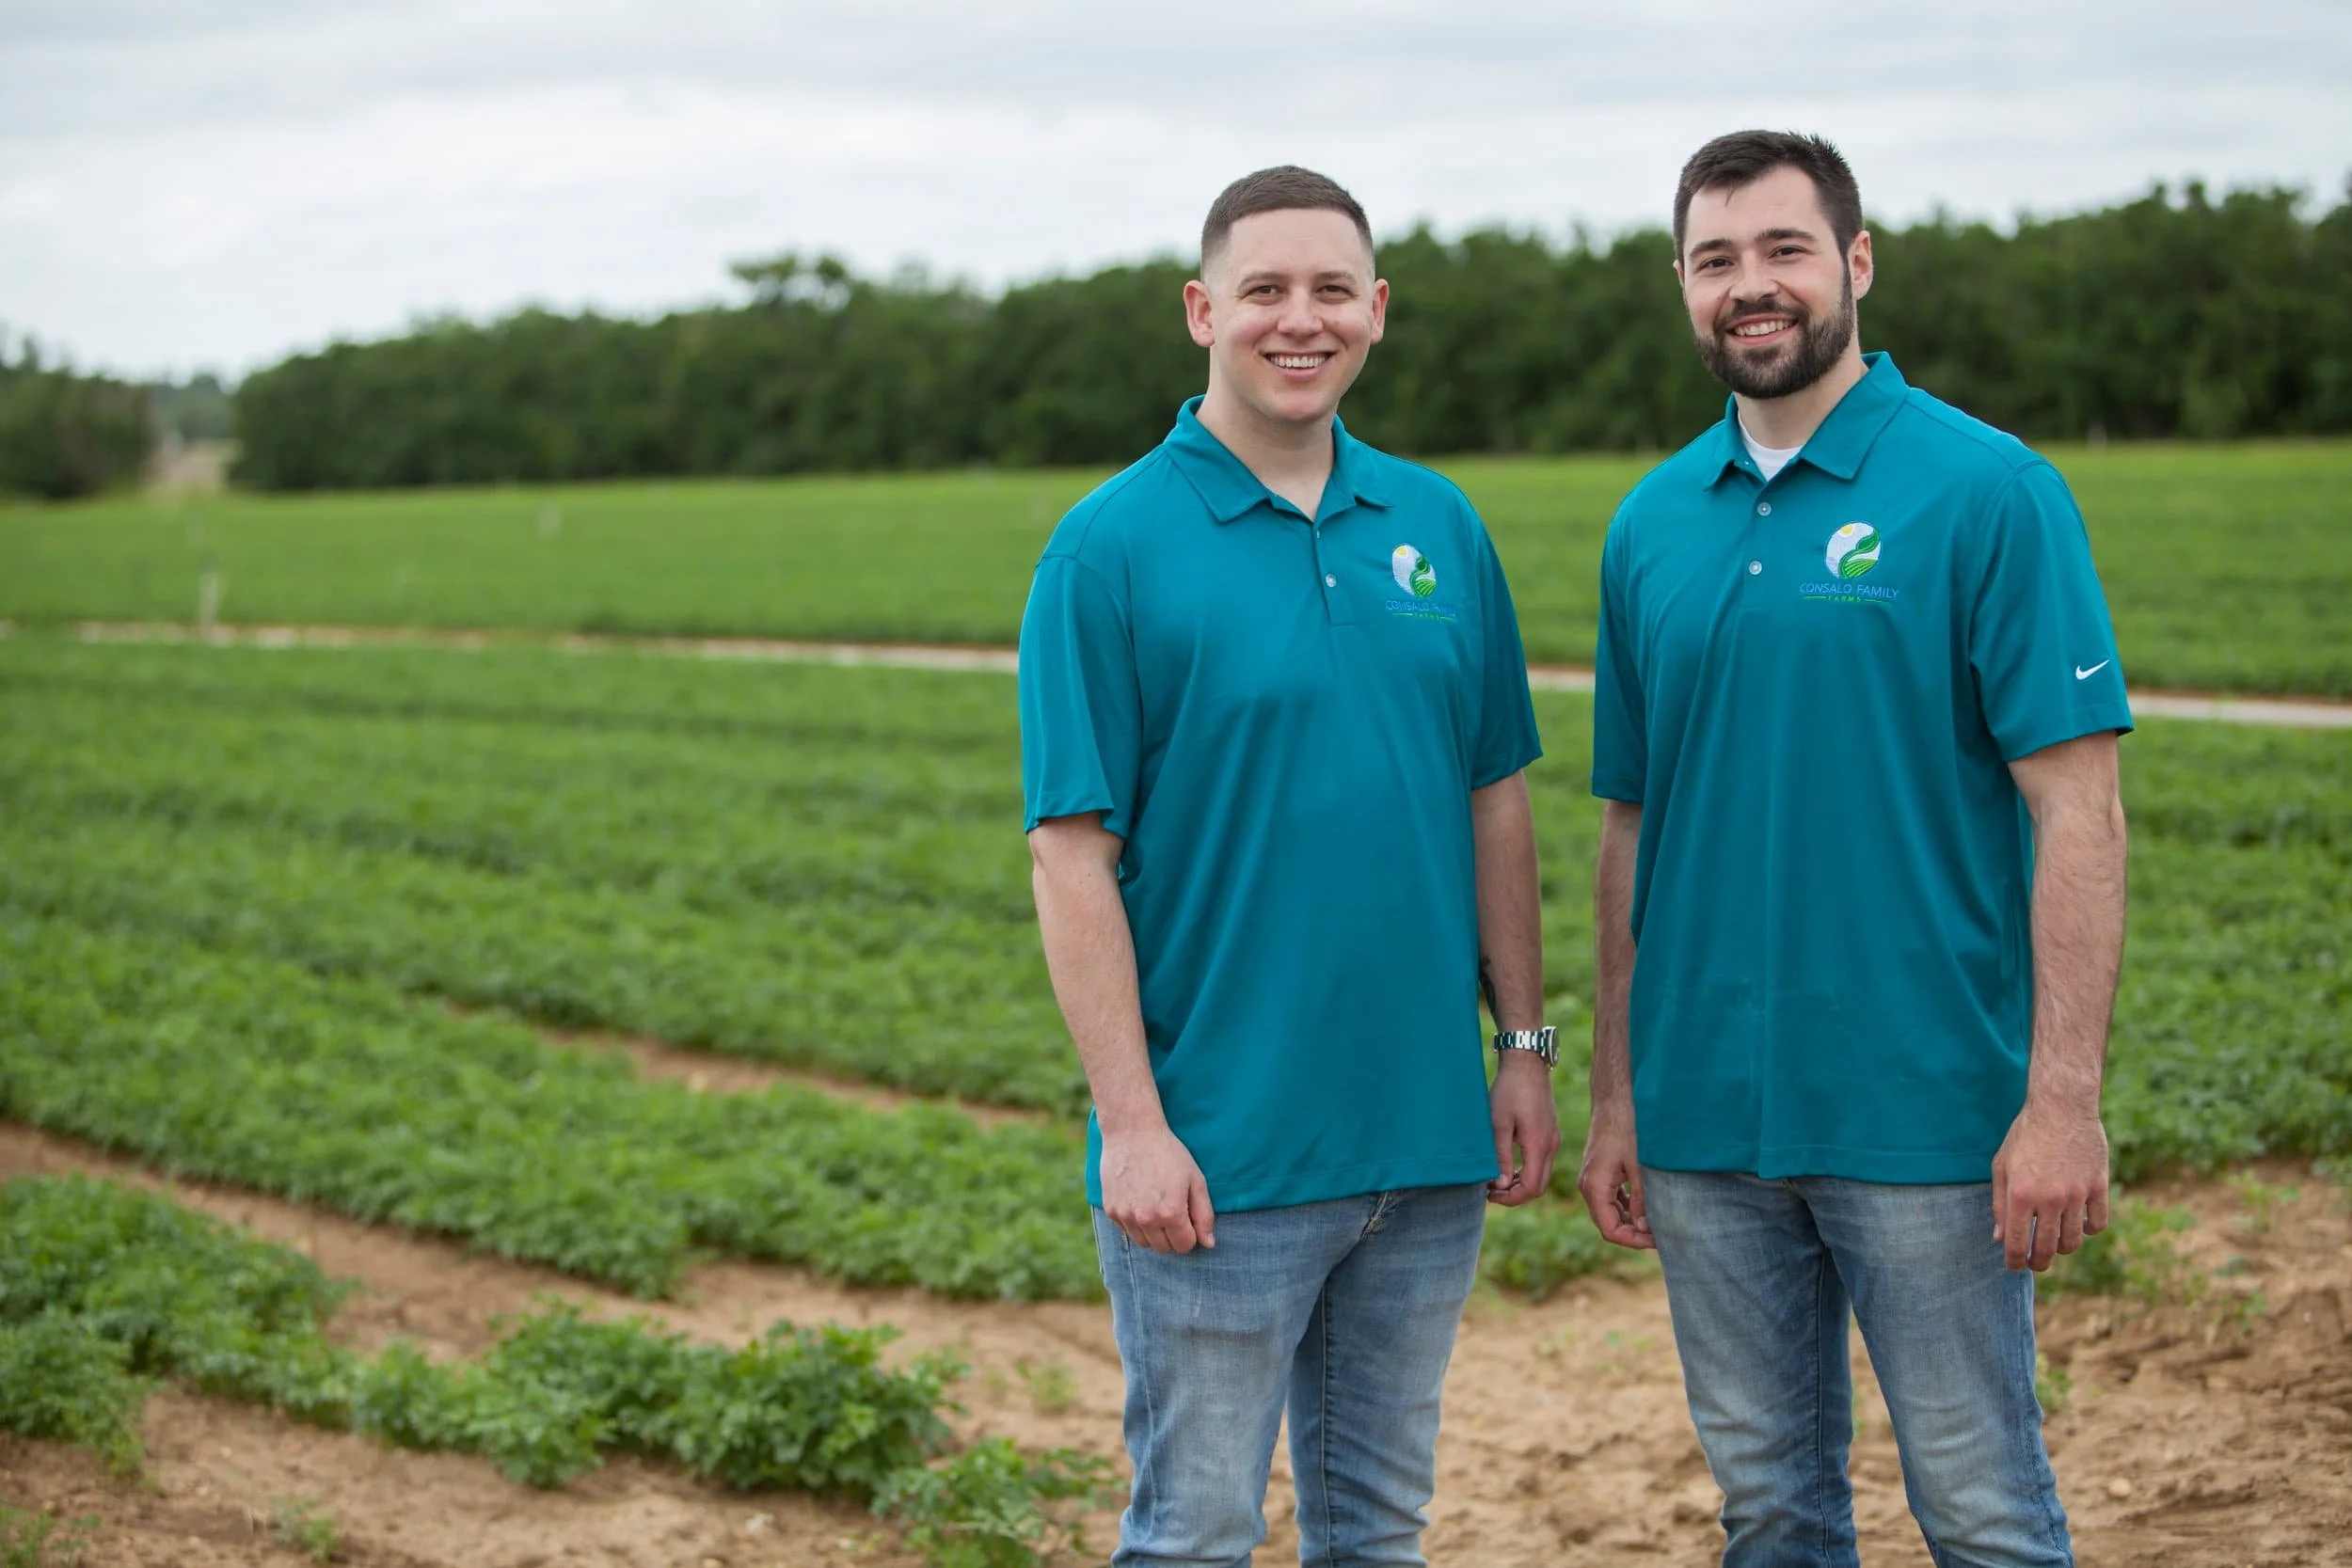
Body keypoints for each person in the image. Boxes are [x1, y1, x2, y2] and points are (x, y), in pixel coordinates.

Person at [1575, 130, 2131, 1567]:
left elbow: (2082, 808)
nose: (1749, 287)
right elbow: (1634, 827)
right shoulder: (1650, 525)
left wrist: (2060, 1100)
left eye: (1782, 250)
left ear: (1855, 263)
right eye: (1715, 260)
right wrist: (1620, 1093)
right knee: (1770, 1508)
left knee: (1984, 1505)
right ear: (1683, 287)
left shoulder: (1987, 490)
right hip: (1706, 1126)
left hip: (1927, 1118)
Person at [1019, 164, 1558, 1567]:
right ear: (1203, 309)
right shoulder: (1110, 547)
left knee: (1378, 1528)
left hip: (1425, 1146)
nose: (1296, 320)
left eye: (1330, 290)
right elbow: (1072, 853)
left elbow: (1494, 801)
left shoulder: (1438, 526)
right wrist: (1130, 1123)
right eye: (1264, 290)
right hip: (1220, 1158)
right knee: (1195, 1530)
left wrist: (1522, 1045)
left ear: (1376, 313)